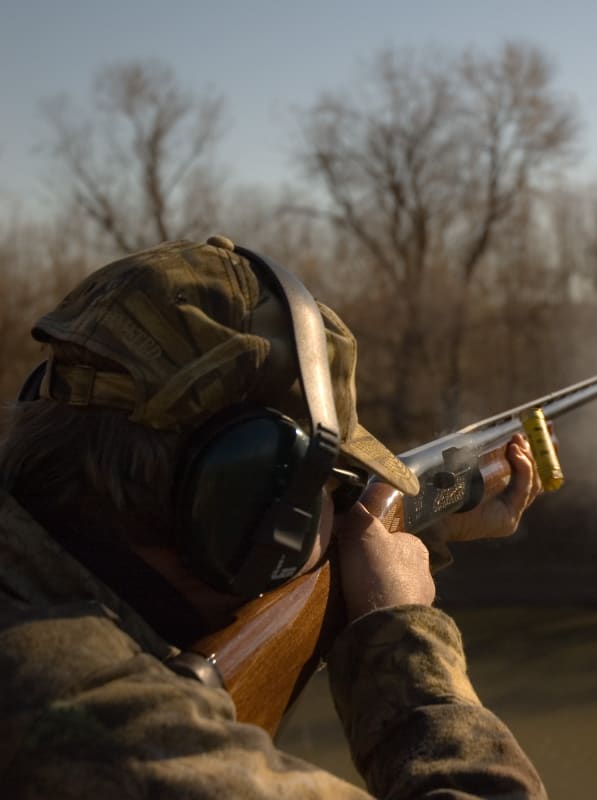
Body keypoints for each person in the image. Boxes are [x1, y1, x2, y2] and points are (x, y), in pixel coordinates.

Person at [0, 236, 548, 798]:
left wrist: (425, 523)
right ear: (248, 509)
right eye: (328, 488)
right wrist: (402, 634)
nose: (336, 511)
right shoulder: (117, 741)